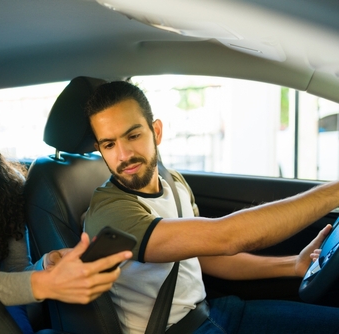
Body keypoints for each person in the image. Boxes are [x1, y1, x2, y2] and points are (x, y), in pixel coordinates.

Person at [83, 80, 339, 334]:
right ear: (100, 150)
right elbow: (227, 237)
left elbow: (207, 256)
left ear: (156, 131)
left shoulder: (173, 182)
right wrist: (334, 193)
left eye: (133, 135)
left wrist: (293, 265)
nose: (124, 154)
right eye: (109, 144)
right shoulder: (110, 211)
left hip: (213, 312)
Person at [0, 82, 131, 333]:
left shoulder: (7, 189)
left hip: (6, 311)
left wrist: (46, 265)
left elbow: (16, 270)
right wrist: (44, 283)